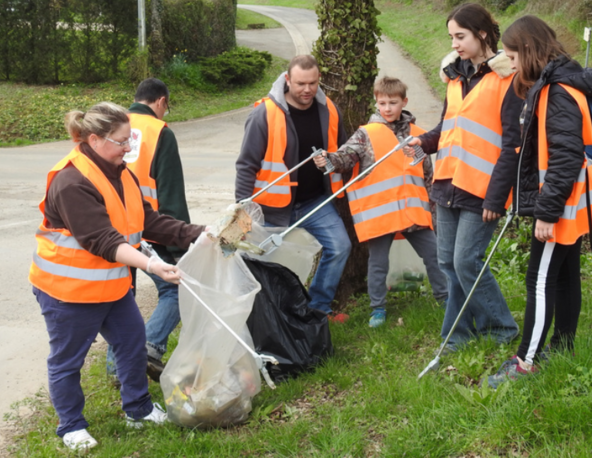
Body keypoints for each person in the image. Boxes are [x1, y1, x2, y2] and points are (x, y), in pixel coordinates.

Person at [29, 102, 205, 451]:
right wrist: (152, 265)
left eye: (131, 141)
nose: (129, 149)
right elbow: (102, 240)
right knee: (67, 360)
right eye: (122, 141)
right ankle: (71, 426)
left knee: (131, 344)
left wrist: (199, 233)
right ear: (94, 140)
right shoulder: (70, 182)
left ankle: (138, 410)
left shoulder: (122, 172)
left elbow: (148, 221)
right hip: (69, 292)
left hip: (110, 284)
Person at [486, 16, 592, 388]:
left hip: (560, 204)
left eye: (512, 56)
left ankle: (526, 363)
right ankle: (563, 346)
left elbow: (565, 156)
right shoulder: (566, 78)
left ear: (527, 52)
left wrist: (546, 212)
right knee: (565, 275)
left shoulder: (556, 91)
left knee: (539, 280)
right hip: (574, 201)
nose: (510, 64)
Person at [406, 3, 521, 352]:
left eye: (460, 36)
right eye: (451, 37)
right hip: (447, 181)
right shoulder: (454, 77)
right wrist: (424, 143)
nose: (454, 44)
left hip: (482, 187)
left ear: (482, 34)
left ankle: (501, 326)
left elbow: (512, 144)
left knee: (465, 262)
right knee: (447, 262)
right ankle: (458, 334)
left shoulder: (507, 78)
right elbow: (449, 126)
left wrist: (497, 197)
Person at [314, 76, 448, 327]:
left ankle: (445, 298)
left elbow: (428, 176)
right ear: (376, 102)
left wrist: (433, 211)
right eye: (382, 103)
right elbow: (346, 157)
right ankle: (377, 309)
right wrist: (329, 160)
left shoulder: (419, 135)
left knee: (435, 255)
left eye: (393, 103)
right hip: (380, 214)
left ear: (404, 102)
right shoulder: (366, 134)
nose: (387, 108)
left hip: (414, 212)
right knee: (378, 262)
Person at [235, 54, 352, 319]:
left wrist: (332, 163)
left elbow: (343, 152)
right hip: (271, 208)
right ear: (287, 80)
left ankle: (318, 310)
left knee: (341, 246)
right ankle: (260, 315)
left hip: (315, 203)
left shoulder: (329, 110)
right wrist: (242, 213)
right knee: (258, 260)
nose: (307, 89)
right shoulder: (264, 114)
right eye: (300, 83)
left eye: (312, 83)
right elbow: (246, 166)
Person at [106, 78, 190, 382]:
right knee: (177, 290)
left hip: (113, 234)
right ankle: (149, 346)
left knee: (120, 300)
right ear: (162, 102)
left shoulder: (112, 126)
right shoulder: (160, 132)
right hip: (153, 228)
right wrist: (182, 247)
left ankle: (116, 367)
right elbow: (171, 193)